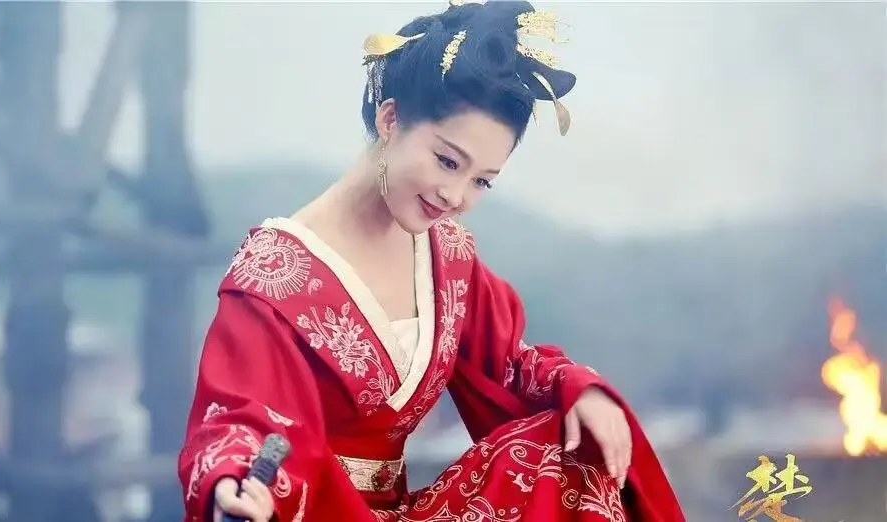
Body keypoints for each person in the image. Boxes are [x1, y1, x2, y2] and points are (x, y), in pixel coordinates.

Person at [178, 1, 685, 521]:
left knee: (571, 449)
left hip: (400, 510)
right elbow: (240, 418)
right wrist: (234, 481)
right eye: (447, 161)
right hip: (316, 510)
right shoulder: (273, 274)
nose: (455, 195)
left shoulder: (448, 256)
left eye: (481, 181)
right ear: (390, 118)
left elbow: (510, 366)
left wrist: (579, 390)